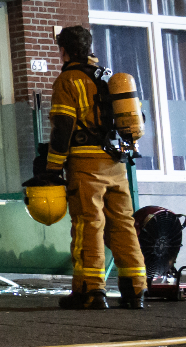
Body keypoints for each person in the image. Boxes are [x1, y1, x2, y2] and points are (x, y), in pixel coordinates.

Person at [40, 25, 147, 310]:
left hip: (86, 164)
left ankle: (90, 291)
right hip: (116, 163)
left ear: (63, 49)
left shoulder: (68, 80)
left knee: (89, 225)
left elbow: (63, 126)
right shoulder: (109, 77)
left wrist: (52, 167)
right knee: (124, 225)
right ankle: (135, 291)